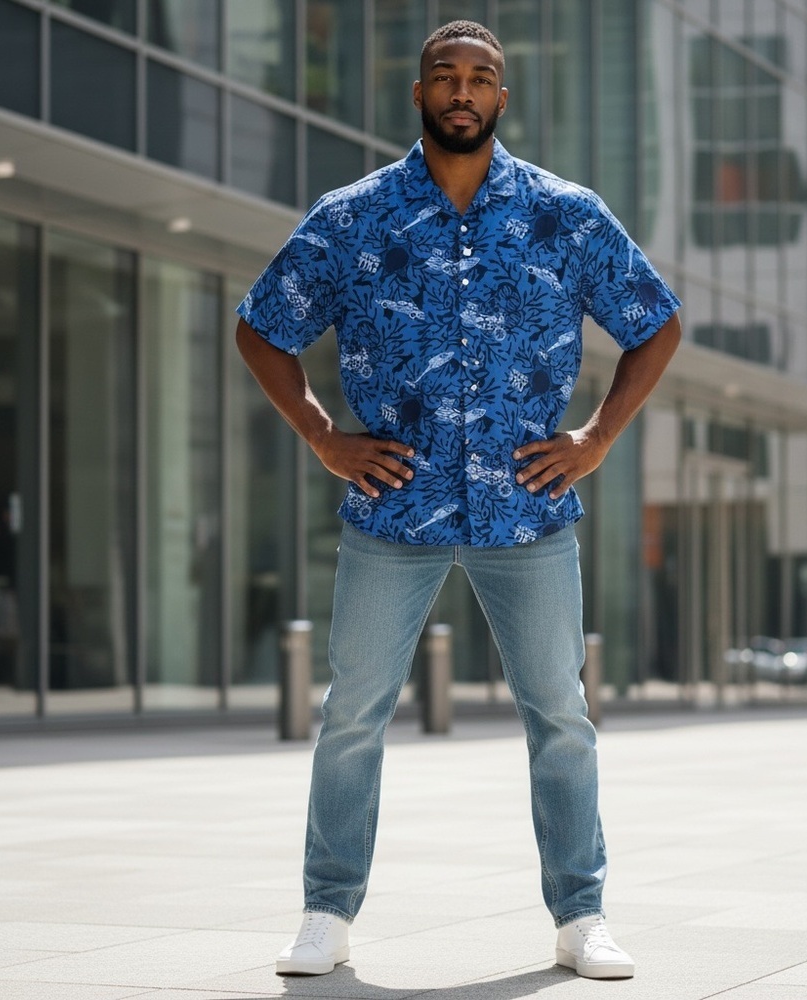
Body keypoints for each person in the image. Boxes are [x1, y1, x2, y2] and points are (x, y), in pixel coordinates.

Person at [236, 19, 681, 981]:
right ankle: (326, 914)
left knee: (560, 713)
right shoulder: (355, 217)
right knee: (353, 712)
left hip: (528, 511)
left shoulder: (564, 214)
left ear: (502, 99)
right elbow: (262, 327)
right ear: (420, 93)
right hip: (393, 512)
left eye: (482, 77)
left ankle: (581, 918)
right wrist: (322, 434)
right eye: (447, 75)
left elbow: (655, 321)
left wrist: (597, 437)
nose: (464, 91)